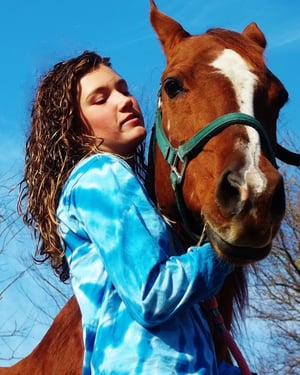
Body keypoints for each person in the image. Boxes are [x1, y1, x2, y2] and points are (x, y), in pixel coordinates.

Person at [19, 50, 244, 374]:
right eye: (100, 99)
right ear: (74, 130)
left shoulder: (111, 189)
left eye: (123, 90)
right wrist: (223, 253)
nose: (123, 100)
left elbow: (176, 339)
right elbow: (151, 294)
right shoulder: (102, 173)